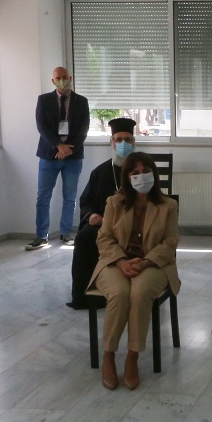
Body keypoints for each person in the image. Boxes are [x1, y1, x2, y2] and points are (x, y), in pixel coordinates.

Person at [89, 152, 180, 391]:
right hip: (115, 262)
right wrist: (121, 261)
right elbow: (104, 238)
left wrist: (146, 262)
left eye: (146, 171)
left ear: (154, 174)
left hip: (154, 264)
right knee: (120, 294)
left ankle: (132, 356)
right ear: (127, 177)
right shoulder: (114, 203)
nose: (141, 177)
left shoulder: (168, 205)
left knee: (139, 294)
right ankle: (109, 355)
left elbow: (170, 243)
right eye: (135, 173)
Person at [66, 117, 137, 310]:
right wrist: (91, 215)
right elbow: (86, 200)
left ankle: (128, 290)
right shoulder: (100, 172)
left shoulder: (141, 169)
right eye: (118, 139)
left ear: (134, 142)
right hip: (102, 225)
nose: (123, 144)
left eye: (127, 140)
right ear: (111, 142)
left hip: (133, 225)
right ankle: (85, 295)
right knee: (84, 236)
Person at [27, 66, 90, 250]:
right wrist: (58, 145)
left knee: (70, 197)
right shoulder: (44, 100)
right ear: (53, 81)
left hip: (73, 156)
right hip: (49, 155)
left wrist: (68, 149)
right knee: (43, 197)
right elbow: (41, 126)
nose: (62, 80)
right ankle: (41, 236)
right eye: (58, 78)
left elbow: (83, 128)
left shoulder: (81, 101)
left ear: (70, 78)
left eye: (65, 77)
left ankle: (65, 234)